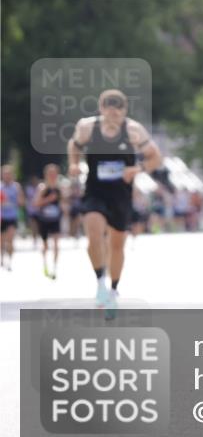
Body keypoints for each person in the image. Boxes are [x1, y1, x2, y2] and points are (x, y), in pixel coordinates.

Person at [67, 89, 162, 311]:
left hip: (121, 195)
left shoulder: (133, 130)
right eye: (109, 109)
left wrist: (137, 169)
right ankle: (100, 281)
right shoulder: (88, 127)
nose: (113, 115)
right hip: (95, 191)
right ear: (101, 109)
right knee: (94, 233)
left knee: (117, 244)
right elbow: (74, 144)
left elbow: (155, 157)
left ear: (124, 110)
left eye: (118, 109)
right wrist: (73, 163)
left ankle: (113, 289)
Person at [33, 164, 64, 279]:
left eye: (54, 173)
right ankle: (45, 265)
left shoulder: (59, 188)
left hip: (55, 219)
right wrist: (48, 199)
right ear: (46, 175)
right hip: (44, 220)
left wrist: (63, 207)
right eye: (50, 173)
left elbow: (63, 203)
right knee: (45, 245)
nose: (53, 176)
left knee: (56, 243)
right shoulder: (42, 188)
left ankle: (55, 268)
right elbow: (35, 204)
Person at [0, 165, 25, 270]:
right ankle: (2, 259)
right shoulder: (0, 187)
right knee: (1, 240)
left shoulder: (16, 187)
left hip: (12, 216)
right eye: (5, 174)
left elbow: (22, 202)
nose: (7, 176)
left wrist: (17, 202)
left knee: (10, 239)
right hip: (1, 217)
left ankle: (9, 261)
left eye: (8, 174)